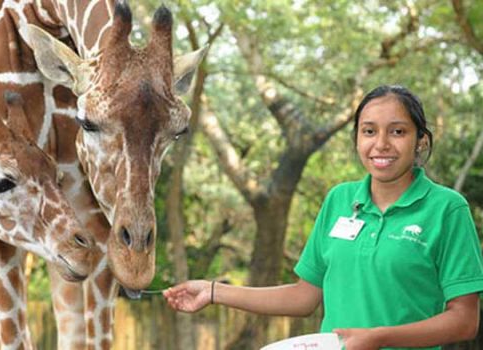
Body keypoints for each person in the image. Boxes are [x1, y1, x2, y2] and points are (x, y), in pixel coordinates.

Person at [163, 85, 483, 350]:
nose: (381, 144)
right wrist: (214, 291)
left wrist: (379, 338)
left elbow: (465, 320)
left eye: (397, 131)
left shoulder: (446, 209)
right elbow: (305, 296)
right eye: (369, 131)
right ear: (357, 138)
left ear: (420, 140)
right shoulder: (339, 200)